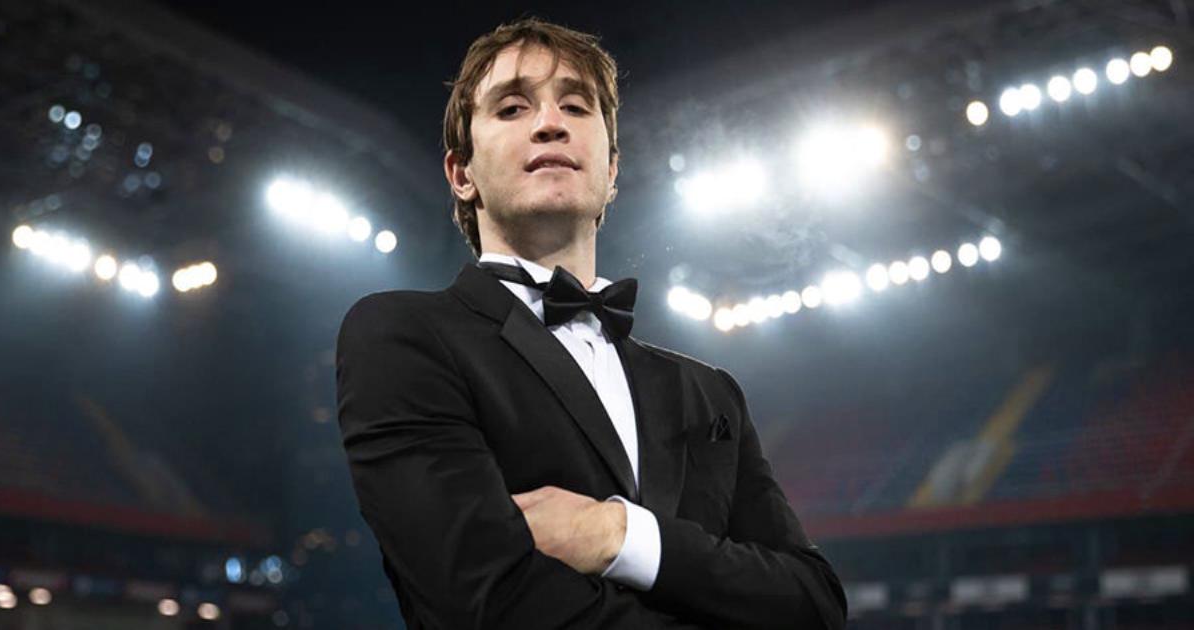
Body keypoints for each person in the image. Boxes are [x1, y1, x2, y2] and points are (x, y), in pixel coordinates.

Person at [335, 17, 847, 629]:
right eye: (512, 108)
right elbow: (486, 604)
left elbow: (815, 604)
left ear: (612, 171)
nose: (550, 123)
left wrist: (621, 535)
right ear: (461, 174)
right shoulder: (400, 337)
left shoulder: (711, 392)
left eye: (576, 106)